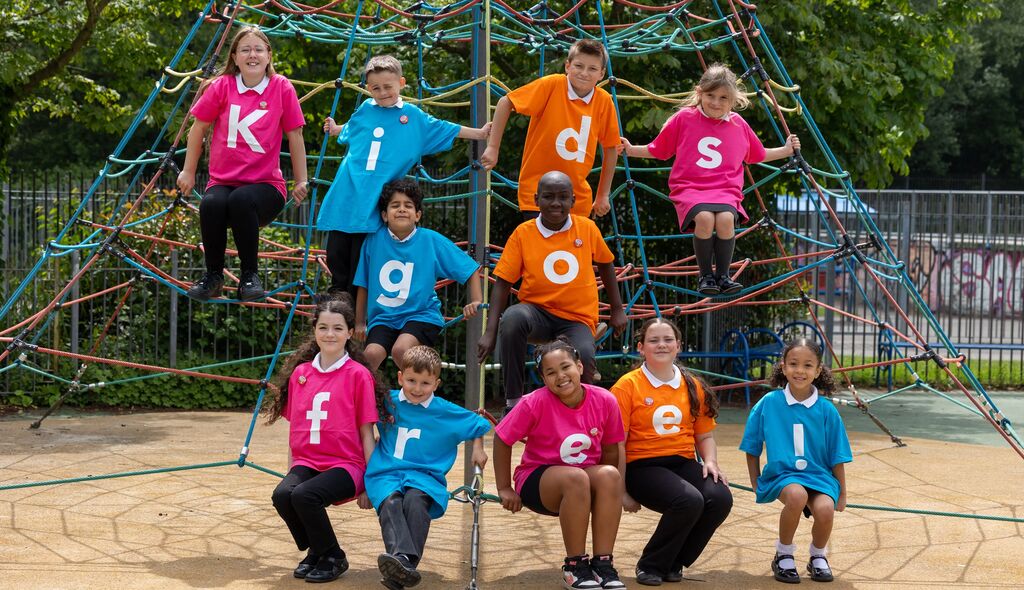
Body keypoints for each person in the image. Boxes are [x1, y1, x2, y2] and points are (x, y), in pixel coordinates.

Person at [318, 55, 490, 300]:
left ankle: (355, 314)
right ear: (368, 89)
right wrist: (336, 129)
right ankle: (336, 305)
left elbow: (444, 127)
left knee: (360, 262)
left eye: (388, 86)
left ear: (402, 83)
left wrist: (480, 133)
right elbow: (351, 129)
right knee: (336, 254)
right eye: (376, 88)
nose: (383, 92)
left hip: (372, 200)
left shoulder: (413, 117)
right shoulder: (366, 109)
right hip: (346, 192)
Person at [619, 63, 800, 296]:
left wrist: (785, 151)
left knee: (725, 219)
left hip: (725, 189)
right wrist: (631, 150)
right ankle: (705, 276)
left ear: (733, 100)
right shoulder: (684, 118)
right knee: (704, 219)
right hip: (690, 187)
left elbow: (757, 154)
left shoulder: (738, 124)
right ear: (699, 93)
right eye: (710, 95)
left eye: (723, 97)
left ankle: (723, 276)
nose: (716, 102)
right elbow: (659, 149)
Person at [263, 295, 390, 583]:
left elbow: (367, 434)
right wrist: (290, 471)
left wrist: (371, 484)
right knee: (284, 495)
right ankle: (318, 552)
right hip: (308, 461)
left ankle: (333, 555)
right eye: (323, 327)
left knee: (305, 495)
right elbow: (295, 431)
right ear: (314, 331)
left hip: (347, 465)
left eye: (337, 328)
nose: (329, 334)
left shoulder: (358, 375)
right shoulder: (301, 374)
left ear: (349, 333)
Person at [477, 170, 627, 413]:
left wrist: (618, 309)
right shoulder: (523, 233)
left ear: (573, 201)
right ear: (536, 200)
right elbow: (503, 282)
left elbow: (606, 264)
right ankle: (513, 402)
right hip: (537, 315)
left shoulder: (587, 228)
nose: (556, 203)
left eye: (563, 197)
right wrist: (490, 331)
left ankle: (583, 413)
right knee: (513, 318)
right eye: (548, 197)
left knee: (584, 358)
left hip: (576, 318)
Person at [176, 25, 308, 303]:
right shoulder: (221, 86)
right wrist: (188, 170)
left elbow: (295, 135)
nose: (253, 55)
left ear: (269, 55)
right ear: (234, 57)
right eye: (245, 49)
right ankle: (213, 276)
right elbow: (197, 129)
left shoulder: (281, 87)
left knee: (241, 199)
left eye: (259, 49)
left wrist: (301, 180)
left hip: (265, 188)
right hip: (223, 183)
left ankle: (250, 276)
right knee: (211, 203)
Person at [493, 339, 627, 590]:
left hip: (582, 479)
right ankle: (575, 566)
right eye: (551, 372)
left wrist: (603, 491)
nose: (561, 376)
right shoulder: (533, 402)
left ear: (579, 366)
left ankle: (603, 565)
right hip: (538, 479)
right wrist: (504, 487)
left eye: (566, 367)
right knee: (575, 478)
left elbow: (610, 450)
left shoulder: (605, 400)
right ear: (543, 378)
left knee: (610, 474)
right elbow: (502, 438)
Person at [610, 318, 732, 586]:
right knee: (688, 500)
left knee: (720, 497)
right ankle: (650, 564)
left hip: (681, 462)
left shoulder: (692, 385)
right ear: (641, 347)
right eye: (653, 340)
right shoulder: (627, 386)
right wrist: (620, 490)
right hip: (641, 467)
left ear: (679, 346)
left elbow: (704, 434)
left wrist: (710, 461)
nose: (661, 345)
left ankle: (674, 561)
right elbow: (616, 444)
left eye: (668, 340)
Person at [363, 345, 492, 589]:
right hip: (386, 473)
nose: (417, 388)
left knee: (414, 500)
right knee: (391, 502)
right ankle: (405, 564)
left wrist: (478, 448)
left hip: (424, 476)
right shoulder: (387, 401)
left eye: (425, 383)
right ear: (400, 376)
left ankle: (401, 563)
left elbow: (479, 423)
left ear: (436, 383)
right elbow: (361, 416)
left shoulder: (442, 410)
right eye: (411, 380)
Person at [739, 338, 852, 584]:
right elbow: (752, 445)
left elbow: (838, 456)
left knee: (824, 508)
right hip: (783, 475)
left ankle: (818, 556)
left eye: (808, 365)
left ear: (818, 370)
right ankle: (784, 553)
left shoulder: (827, 410)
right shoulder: (769, 403)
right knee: (797, 496)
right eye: (793, 364)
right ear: (783, 366)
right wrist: (754, 479)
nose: (800, 371)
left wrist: (842, 493)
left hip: (819, 476)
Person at [480, 39, 619, 220]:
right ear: (567, 66)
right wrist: (493, 147)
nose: (584, 73)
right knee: (540, 247)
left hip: (576, 199)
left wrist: (602, 195)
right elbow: (505, 102)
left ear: (601, 74)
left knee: (574, 248)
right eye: (579, 65)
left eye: (592, 69)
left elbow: (611, 147)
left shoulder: (604, 101)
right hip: (538, 195)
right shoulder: (552, 86)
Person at [353, 179, 482, 371]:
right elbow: (363, 283)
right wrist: (360, 322)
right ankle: (372, 398)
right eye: (395, 205)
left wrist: (476, 300)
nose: (402, 209)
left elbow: (470, 268)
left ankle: (417, 394)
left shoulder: (430, 240)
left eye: (408, 206)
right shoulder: (373, 241)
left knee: (401, 350)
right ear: (384, 215)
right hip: (383, 318)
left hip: (421, 315)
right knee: (369, 356)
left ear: (418, 215)